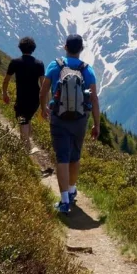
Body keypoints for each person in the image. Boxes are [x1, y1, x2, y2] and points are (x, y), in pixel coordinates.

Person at [40, 34, 100, 215]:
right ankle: (72, 190)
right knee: (75, 156)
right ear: (81, 49)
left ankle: (65, 201)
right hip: (80, 120)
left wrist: (43, 108)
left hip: (59, 118)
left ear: (65, 47)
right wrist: (97, 124)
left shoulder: (55, 66)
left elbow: (43, 91)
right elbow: (94, 99)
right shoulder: (87, 70)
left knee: (62, 158)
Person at [2, 37, 45, 153]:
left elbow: (6, 80)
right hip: (35, 99)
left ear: (20, 48)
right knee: (27, 118)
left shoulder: (15, 62)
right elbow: (43, 85)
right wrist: (44, 104)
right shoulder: (39, 64)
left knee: (23, 121)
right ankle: (28, 143)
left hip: (22, 97)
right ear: (33, 49)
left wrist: (4, 93)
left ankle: (26, 149)